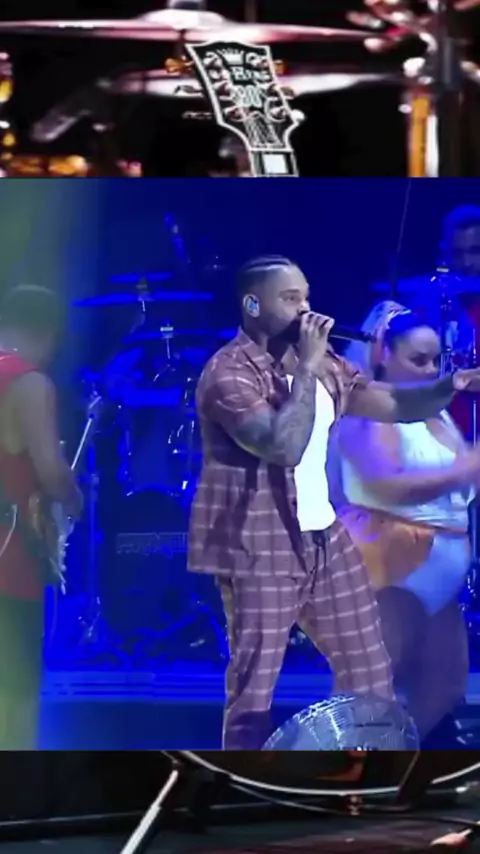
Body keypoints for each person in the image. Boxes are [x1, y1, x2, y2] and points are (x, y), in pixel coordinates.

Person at [188, 256, 480, 750]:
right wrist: (304, 369)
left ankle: (364, 770)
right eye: (290, 299)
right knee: (256, 683)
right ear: (252, 305)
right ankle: (241, 774)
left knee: (370, 670)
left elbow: (392, 403)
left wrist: (448, 387)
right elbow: (282, 446)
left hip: (325, 538)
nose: (306, 309)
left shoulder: (327, 366)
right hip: (260, 543)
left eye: (306, 296)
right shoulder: (228, 374)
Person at [327, 301, 480, 745]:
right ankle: (347, 768)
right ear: (383, 355)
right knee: (372, 689)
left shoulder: (435, 412)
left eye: (435, 360)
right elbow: (386, 485)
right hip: (389, 562)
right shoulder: (367, 412)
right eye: (418, 360)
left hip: (437, 568)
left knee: (444, 685)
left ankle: (400, 762)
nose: (430, 369)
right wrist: (464, 470)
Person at [0, 284, 82, 749]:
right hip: (8, 556)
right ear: (49, 334)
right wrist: (74, 498)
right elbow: (51, 472)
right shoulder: (29, 383)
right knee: (15, 700)